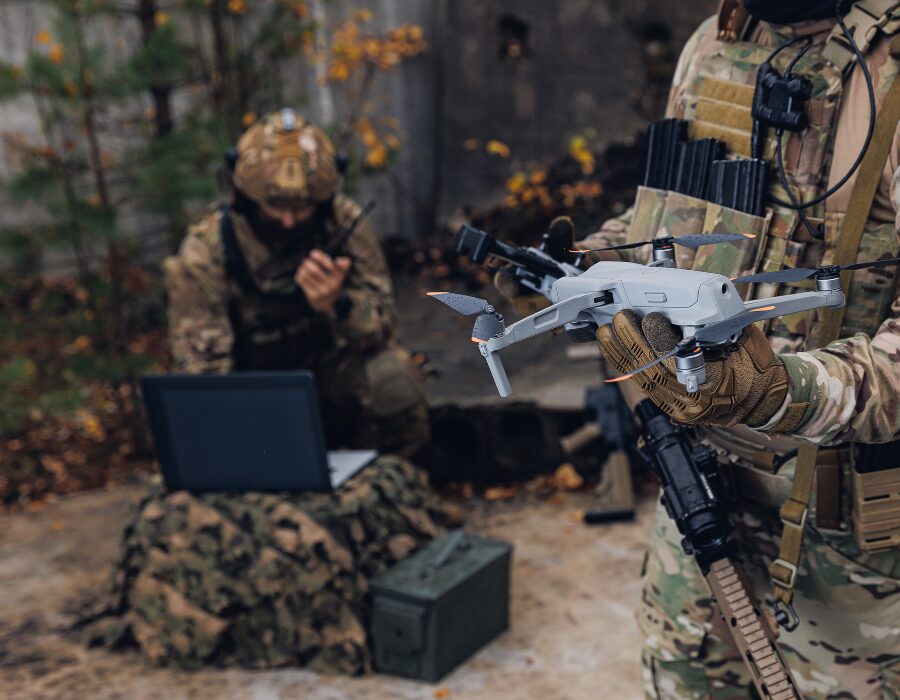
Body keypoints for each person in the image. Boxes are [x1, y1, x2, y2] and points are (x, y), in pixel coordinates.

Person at [497, 1, 898, 696]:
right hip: (698, 496)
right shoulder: (716, 46)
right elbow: (671, 227)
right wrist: (584, 269)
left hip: (854, 562)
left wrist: (787, 390)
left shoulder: (888, 80)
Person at [163, 108, 429, 458]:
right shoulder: (206, 253)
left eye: (302, 208)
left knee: (393, 377)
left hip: (330, 379)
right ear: (246, 197)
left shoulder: (343, 226)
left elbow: (383, 325)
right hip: (251, 395)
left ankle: (388, 482)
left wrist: (338, 304)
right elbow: (204, 375)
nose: (289, 221)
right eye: (275, 206)